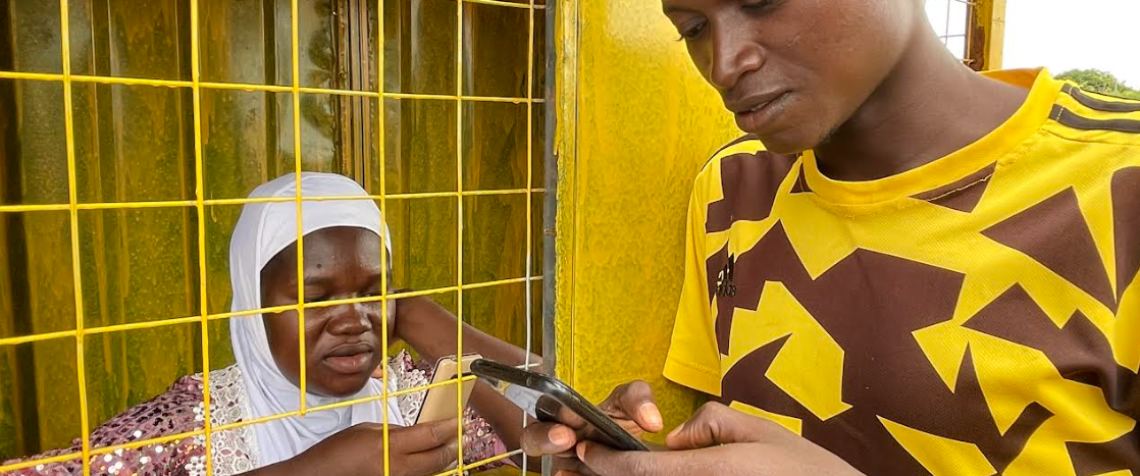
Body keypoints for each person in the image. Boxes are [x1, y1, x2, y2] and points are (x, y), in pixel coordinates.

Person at [522, 1, 1140, 475]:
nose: (723, 63)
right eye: (691, 27)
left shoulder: (1122, 187)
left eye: (762, 0)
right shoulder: (731, 187)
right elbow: (724, 423)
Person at [5, 172, 534, 476]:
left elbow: (548, 441)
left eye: (373, 292)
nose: (353, 321)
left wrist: (428, 320)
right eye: (312, 298)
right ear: (252, 308)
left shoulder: (415, 394)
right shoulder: (196, 424)